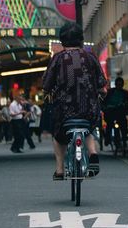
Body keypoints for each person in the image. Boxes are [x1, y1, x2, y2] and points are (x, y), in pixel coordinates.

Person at [42, 22, 107, 181]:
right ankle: (93, 154)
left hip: (64, 111)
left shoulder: (57, 59)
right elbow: (101, 82)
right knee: (89, 126)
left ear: (62, 40)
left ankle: (59, 170)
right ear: (81, 40)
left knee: (58, 136)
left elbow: (46, 85)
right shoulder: (90, 57)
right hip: (88, 109)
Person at [103, 77, 128, 145]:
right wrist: (105, 107)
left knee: (124, 122)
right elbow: (104, 100)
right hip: (111, 112)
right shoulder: (110, 92)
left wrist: (127, 101)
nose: (119, 86)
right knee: (109, 124)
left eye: (121, 85)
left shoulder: (125, 92)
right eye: (118, 84)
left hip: (120, 112)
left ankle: (125, 135)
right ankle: (107, 138)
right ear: (116, 84)